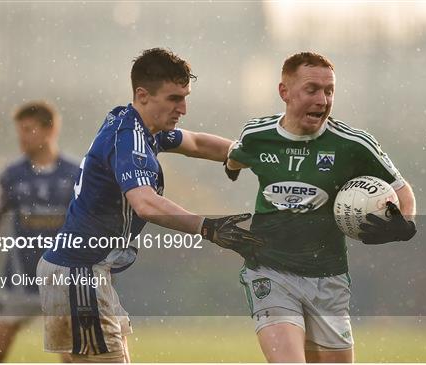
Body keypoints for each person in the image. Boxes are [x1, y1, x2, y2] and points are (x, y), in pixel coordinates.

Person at [36, 48, 261, 363]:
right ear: (142, 95)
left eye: (185, 97)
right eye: (173, 98)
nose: (182, 107)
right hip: (80, 274)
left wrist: (251, 156)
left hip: (78, 271)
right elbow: (145, 204)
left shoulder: (136, 124)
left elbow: (195, 143)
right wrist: (206, 227)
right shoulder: (129, 138)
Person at [226, 52, 417, 363]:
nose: (323, 99)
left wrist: (405, 224)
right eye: (312, 89)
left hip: (328, 278)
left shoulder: (354, 144)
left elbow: (402, 189)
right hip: (270, 271)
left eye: (329, 91)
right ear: (284, 92)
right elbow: (237, 151)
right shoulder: (257, 135)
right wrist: (231, 165)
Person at [0, 101, 78, 362]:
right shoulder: (13, 175)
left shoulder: (75, 174)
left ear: (50, 130)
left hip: (62, 283)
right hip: (19, 281)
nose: (21, 137)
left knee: (71, 358)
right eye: (19, 131)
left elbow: (91, 224)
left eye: (28, 129)